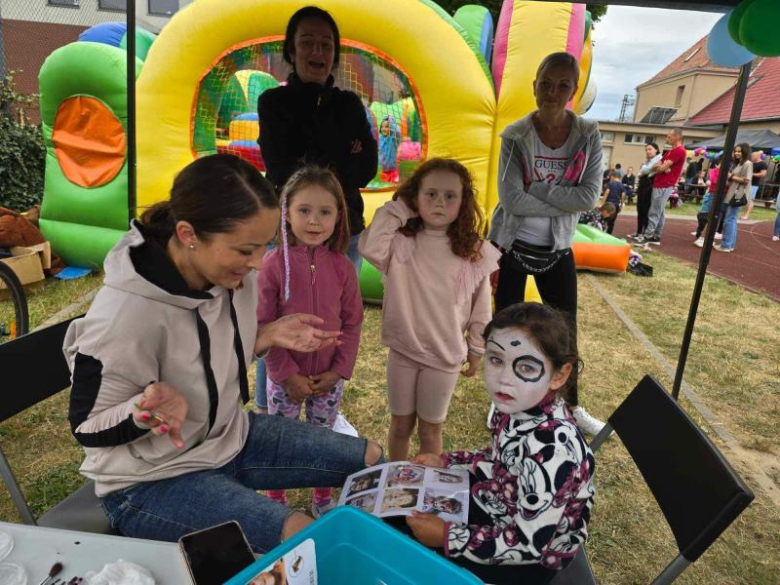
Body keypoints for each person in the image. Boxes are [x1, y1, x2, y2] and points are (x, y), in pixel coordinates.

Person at [65, 154, 383, 553]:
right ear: (188, 234)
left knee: (372, 459)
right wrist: (143, 413)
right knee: (306, 536)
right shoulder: (124, 315)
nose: (256, 264)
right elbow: (87, 424)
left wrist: (266, 335)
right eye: (245, 250)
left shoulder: (232, 276)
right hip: (152, 479)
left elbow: (211, 350)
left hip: (230, 438)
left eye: (264, 246)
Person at [407, 303, 595, 585]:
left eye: (527, 366)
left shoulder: (552, 452)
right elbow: (498, 459)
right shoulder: (514, 408)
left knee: (412, 551)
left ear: (559, 375)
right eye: (496, 359)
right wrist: (448, 461)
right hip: (499, 506)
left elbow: (529, 545)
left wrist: (447, 536)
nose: (504, 379)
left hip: (529, 563)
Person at [255, 5, 378, 415]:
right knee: (278, 311)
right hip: (286, 234)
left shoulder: (349, 105)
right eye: (307, 41)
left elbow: (366, 168)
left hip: (347, 233)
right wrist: (338, 153)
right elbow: (279, 166)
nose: (317, 50)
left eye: (326, 43)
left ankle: (325, 388)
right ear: (291, 50)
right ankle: (274, 395)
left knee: (333, 310)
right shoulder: (273, 102)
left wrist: (316, 154)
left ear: (335, 53)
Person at [488, 51, 606, 436]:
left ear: (573, 90)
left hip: (556, 250)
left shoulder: (587, 135)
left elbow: (588, 197)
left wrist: (536, 186)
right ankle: (502, 405)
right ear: (534, 85)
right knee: (505, 330)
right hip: (512, 244)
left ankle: (569, 405)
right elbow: (510, 199)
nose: (553, 92)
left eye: (563, 85)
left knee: (566, 332)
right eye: (546, 83)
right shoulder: (516, 135)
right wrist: (560, 194)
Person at [359, 158, 500, 460]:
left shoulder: (473, 251)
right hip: (403, 350)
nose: (439, 202)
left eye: (450, 196)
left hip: (444, 356)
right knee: (400, 426)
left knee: (429, 432)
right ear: (415, 197)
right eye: (430, 194)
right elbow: (369, 247)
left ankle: (425, 491)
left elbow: (481, 310)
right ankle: (396, 486)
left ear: (463, 203)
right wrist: (400, 209)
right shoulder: (399, 243)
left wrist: (476, 349)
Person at [256, 166, 363, 517]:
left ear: (338, 216)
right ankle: (276, 500)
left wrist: (339, 370)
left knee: (324, 439)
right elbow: (262, 325)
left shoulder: (344, 267)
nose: (314, 221)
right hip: (283, 381)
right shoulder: (272, 265)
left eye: (325, 212)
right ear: (285, 213)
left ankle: (321, 500)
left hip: (328, 379)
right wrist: (286, 374)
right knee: (280, 442)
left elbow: (353, 321)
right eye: (304, 210)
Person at [636, 128, 686, 246]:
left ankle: (648, 236)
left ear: (677, 137)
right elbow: (656, 166)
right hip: (660, 183)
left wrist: (662, 167)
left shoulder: (678, 151)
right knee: (660, 211)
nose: (667, 138)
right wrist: (661, 167)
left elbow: (660, 168)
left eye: (669, 137)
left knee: (655, 211)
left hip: (664, 184)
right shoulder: (670, 151)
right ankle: (656, 236)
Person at [715, 143, 753, 253]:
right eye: (735, 151)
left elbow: (746, 180)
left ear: (745, 152)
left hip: (738, 195)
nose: (736, 153)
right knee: (732, 220)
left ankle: (726, 245)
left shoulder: (747, 163)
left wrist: (730, 176)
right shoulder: (739, 163)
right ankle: (729, 244)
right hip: (733, 194)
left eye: (739, 151)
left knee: (729, 220)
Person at [628, 143, 662, 240]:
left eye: (650, 149)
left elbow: (645, 171)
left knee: (646, 210)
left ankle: (645, 233)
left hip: (649, 187)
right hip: (642, 186)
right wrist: (645, 168)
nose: (648, 151)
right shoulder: (649, 160)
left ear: (656, 149)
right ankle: (638, 232)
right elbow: (642, 172)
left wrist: (644, 169)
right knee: (640, 209)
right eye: (646, 150)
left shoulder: (659, 159)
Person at [693, 160, 720, 248]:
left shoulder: (726, 173)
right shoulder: (713, 171)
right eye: (720, 164)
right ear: (716, 164)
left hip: (717, 196)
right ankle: (700, 231)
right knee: (702, 215)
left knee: (711, 217)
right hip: (710, 195)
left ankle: (703, 234)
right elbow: (715, 181)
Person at [742, 150, 767, 220]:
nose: (751, 157)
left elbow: (763, 174)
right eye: (751, 156)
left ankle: (746, 215)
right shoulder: (751, 163)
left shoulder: (763, 164)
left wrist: (751, 174)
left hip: (753, 185)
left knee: (749, 200)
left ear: (757, 156)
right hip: (746, 183)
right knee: (745, 200)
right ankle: (744, 215)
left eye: (753, 156)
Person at [379, 115, 401, 184]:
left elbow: (398, 131)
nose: (383, 128)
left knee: (393, 188)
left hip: (393, 171)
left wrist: (391, 121)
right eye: (382, 127)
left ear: (391, 128)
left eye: (386, 127)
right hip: (384, 171)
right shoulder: (381, 138)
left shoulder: (393, 138)